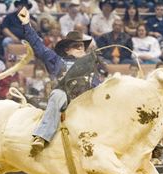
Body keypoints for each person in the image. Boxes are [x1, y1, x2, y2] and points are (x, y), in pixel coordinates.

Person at [18, 7, 103, 155]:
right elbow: (38, 46)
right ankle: (42, 137)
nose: (80, 49)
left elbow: (99, 87)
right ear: (67, 50)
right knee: (58, 94)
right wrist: (26, 24)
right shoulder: (56, 61)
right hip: (65, 101)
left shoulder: (91, 67)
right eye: (76, 46)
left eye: (82, 46)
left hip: (86, 103)